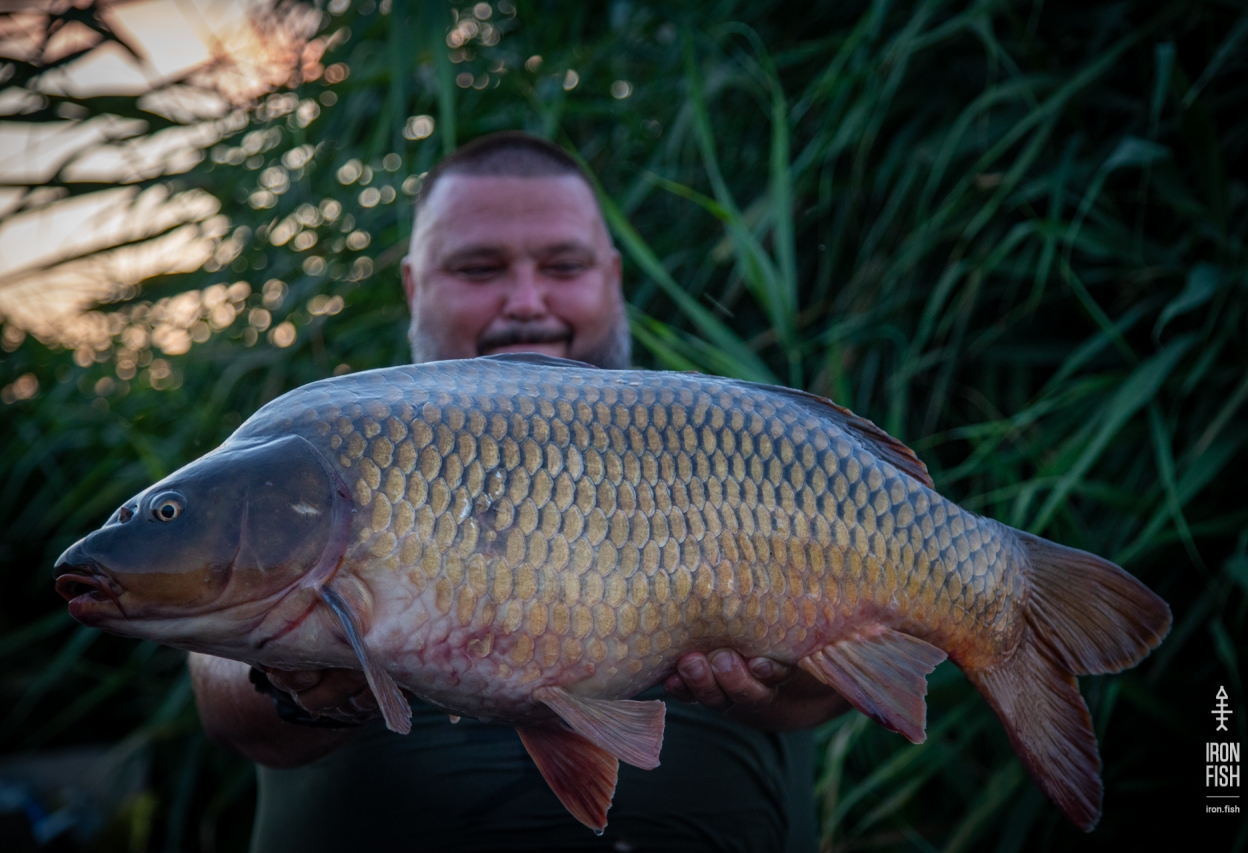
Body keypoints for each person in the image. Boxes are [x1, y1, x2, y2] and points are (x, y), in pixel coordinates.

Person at [189, 132, 850, 853]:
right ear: (413, 286)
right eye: (479, 268)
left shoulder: (738, 440)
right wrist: (291, 679)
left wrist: (795, 685)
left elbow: (859, 661)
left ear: (612, 276)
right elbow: (220, 680)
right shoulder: (332, 444)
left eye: (564, 266)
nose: (527, 303)